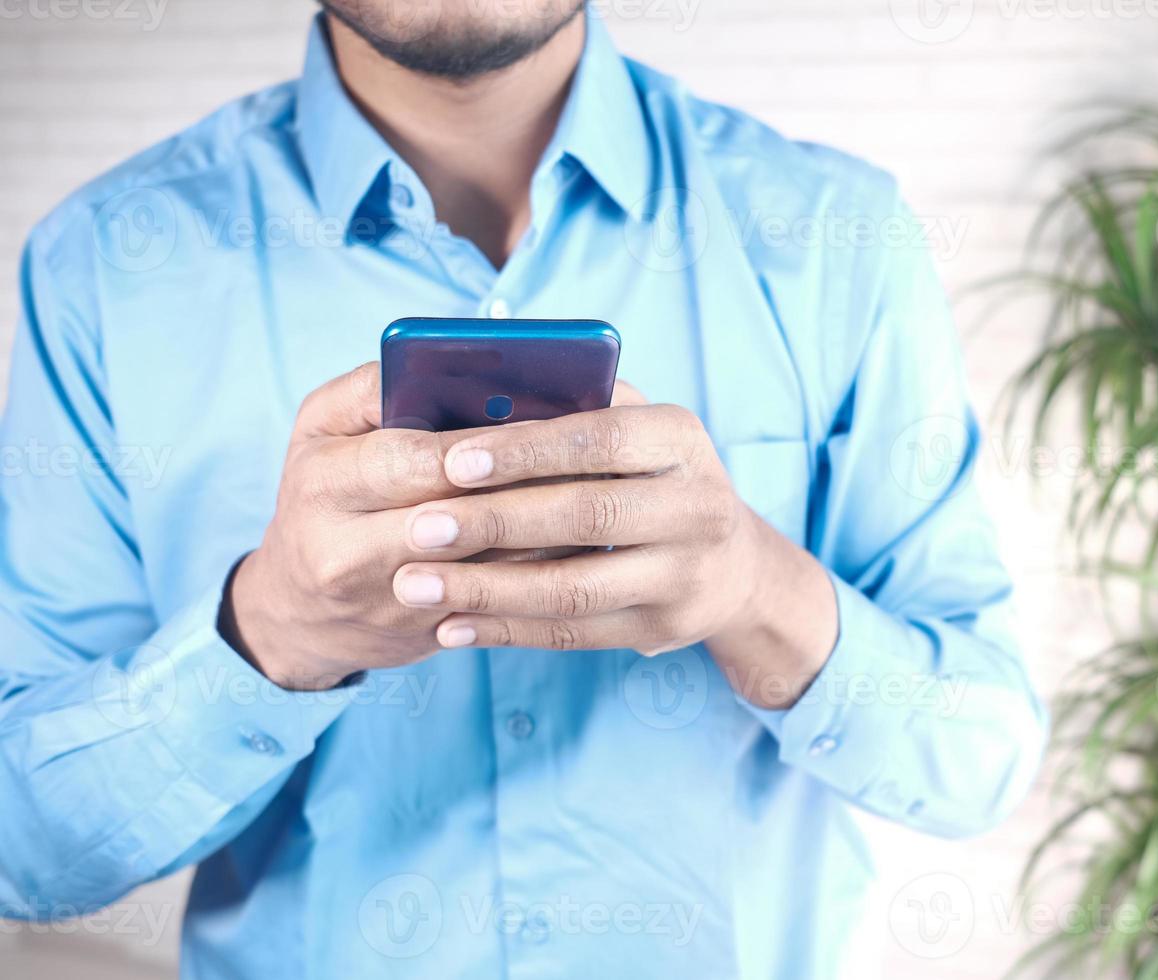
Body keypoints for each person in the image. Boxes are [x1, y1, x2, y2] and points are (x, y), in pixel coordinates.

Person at [0, 2, 1046, 976]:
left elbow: (979, 758)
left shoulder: (838, 238)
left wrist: (756, 590)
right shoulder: (102, 270)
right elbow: (24, 847)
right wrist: (269, 632)